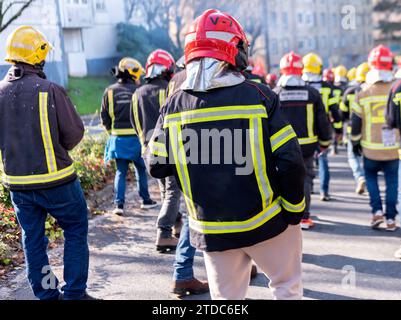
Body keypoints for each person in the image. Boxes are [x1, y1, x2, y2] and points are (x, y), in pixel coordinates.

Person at [148, 9, 306, 300]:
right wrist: (294, 210)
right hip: (266, 221)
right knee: (286, 289)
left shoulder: (173, 105)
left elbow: (156, 165)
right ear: (236, 50)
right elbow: (290, 160)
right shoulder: (260, 97)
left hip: (211, 229)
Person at [0, 26, 96, 300]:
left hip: (18, 186)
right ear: (38, 56)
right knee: (75, 229)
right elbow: (74, 133)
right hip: (58, 182)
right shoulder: (50, 89)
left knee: (32, 240)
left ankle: (46, 295)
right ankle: (75, 293)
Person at [131, 49, 182, 253]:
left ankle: (176, 224)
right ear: (168, 68)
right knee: (173, 189)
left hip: (147, 148)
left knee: (164, 190)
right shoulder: (169, 88)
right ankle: (164, 231)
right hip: (168, 147)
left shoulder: (137, 93)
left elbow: (136, 123)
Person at [275, 52, 331, 230]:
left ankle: (285, 214)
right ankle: (304, 217)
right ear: (301, 70)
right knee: (305, 179)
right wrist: (325, 142)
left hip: (281, 146)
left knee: (281, 178)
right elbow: (322, 121)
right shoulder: (312, 94)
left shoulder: (274, 94)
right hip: (307, 146)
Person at [352, 45, 399, 232]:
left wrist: (355, 142)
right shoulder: (397, 90)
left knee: (370, 179)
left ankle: (377, 212)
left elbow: (355, 123)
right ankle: (391, 219)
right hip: (393, 148)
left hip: (370, 149)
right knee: (392, 183)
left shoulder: (363, 92)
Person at [101, 58, 157, 216]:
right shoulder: (139, 90)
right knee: (141, 169)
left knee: (121, 171)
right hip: (137, 139)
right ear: (133, 74)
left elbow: (104, 116)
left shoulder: (109, 91)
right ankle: (145, 200)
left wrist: (111, 132)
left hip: (118, 139)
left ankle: (119, 205)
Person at [303, 53, 343, 201]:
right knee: (323, 159)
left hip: (305, 128)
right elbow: (334, 109)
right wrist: (338, 129)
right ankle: (324, 191)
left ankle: (309, 187)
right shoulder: (326, 87)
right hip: (323, 127)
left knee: (307, 162)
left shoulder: (300, 84)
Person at [341, 62, 370, 195]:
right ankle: (369, 179)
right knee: (367, 157)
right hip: (369, 131)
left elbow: (342, 113)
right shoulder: (372, 90)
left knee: (353, 157)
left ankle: (360, 177)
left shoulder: (349, 91)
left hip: (352, 130)